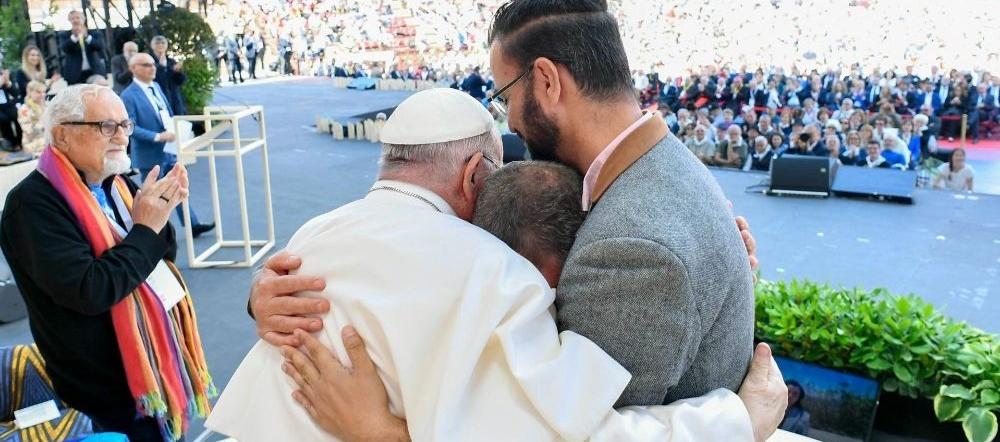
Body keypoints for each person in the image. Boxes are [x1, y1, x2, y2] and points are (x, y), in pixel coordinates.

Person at [252, 2, 779, 440]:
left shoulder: (634, 248)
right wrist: (267, 297)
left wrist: (379, 431)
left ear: (546, 80)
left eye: (505, 97)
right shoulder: (657, 172)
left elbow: (569, 431)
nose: (509, 120)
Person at [0, 84, 213, 442]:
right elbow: (91, 290)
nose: (120, 137)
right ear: (62, 136)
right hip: (99, 387)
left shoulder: (116, 182)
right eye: (105, 127)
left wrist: (158, 211)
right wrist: (147, 226)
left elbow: (160, 257)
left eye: (124, 125)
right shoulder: (32, 205)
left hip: (149, 367)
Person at [121, 53, 215, 237]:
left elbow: (167, 112)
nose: (152, 68)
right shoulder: (128, 95)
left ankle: (193, 224)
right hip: (150, 154)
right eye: (146, 65)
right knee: (154, 196)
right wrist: (157, 136)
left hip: (169, 149)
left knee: (177, 188)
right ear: (133, 69)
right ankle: (155, 234)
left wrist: (176, 129)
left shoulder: (155, 86)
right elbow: (130, 127)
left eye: (153, 64)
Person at [61, 10, 108, 85]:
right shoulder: (65, 35)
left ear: (83, 19)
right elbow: (64, 49)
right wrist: (74, 37)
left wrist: (86, 36)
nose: (75, 20)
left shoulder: (94, 33)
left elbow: (100, 46)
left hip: (94, 71)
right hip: (74, 74)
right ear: (69, 20)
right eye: (73, 18)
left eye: (78, 18)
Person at [150, 36, 188, 116]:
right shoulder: (149, 61)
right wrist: (160, 66)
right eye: (157, 43)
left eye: (163, 43)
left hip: (174, 99)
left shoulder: (171, 61)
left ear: (166, 46)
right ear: (152, 46)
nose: (160, 45)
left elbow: (181, 81)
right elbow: (151, 79)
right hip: (158, 99)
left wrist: (178, 72)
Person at [16, 80, 47, 155]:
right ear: (30, 92)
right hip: (33, 143)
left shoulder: (46, 106)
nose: (42, 95)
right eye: (38, 92)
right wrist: (44, 125)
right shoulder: (24, 109)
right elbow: (28, 129)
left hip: (45, 139)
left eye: (44, 92)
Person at [0, 69, 21, 149]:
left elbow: (16, 94)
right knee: (3, 119)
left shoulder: (3, 75)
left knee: (17, 115)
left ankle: (19, 141)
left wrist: (8, 83)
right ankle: (10, 143)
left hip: (7, 105)